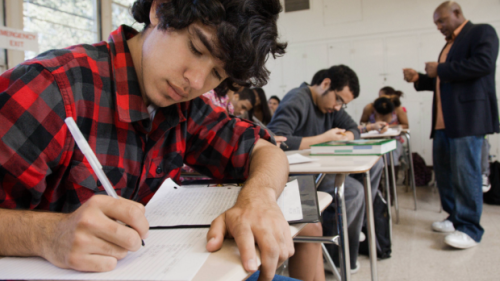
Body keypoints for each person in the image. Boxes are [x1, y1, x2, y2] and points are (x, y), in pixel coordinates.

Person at [0, 1, 297, 280]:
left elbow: (264, 149)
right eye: (196, 48)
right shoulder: (49, 88)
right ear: (159, 8)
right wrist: (48, 235)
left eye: (217, 73)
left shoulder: (185, 108)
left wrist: (259, 197)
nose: (195, 81)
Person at [268, 65, 384, 274]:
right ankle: (333, 251)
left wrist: (347, 136)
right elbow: (276, 140)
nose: (339, 107)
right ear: (326, 84)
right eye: (339, 100)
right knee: (352, 192)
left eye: (343, 104)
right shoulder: (298, 99)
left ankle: (348, 240)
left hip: (317, 169)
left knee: (375, 168)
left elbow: (353, 128)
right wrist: (322, 139)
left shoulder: (329, 107)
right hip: (296, 175)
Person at [403, 1, 499, 249]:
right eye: (436, 22)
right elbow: (444, 81)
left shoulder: (482, 32)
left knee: (467, 175)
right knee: (445, 174)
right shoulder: (449, 44)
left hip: (467, 120)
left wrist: (441, 69)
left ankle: (470, 228)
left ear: (457, 13)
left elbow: (483, 64)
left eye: (441, 20)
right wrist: (419, 78)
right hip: (444, 123)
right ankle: (455, 217)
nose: (438, 26)